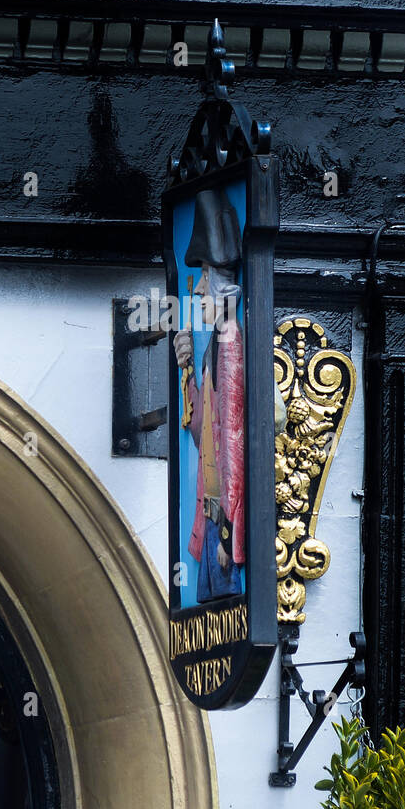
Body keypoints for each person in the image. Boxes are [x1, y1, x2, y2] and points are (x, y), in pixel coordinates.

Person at [173, 189, 245, 603]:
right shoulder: (213, 347)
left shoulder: (232, 342)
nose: (199, 290)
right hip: (211, 517)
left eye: (203, 277)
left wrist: (229, 534)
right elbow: (203, 433)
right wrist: (187, 373)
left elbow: (234, 446)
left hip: (222, 529)